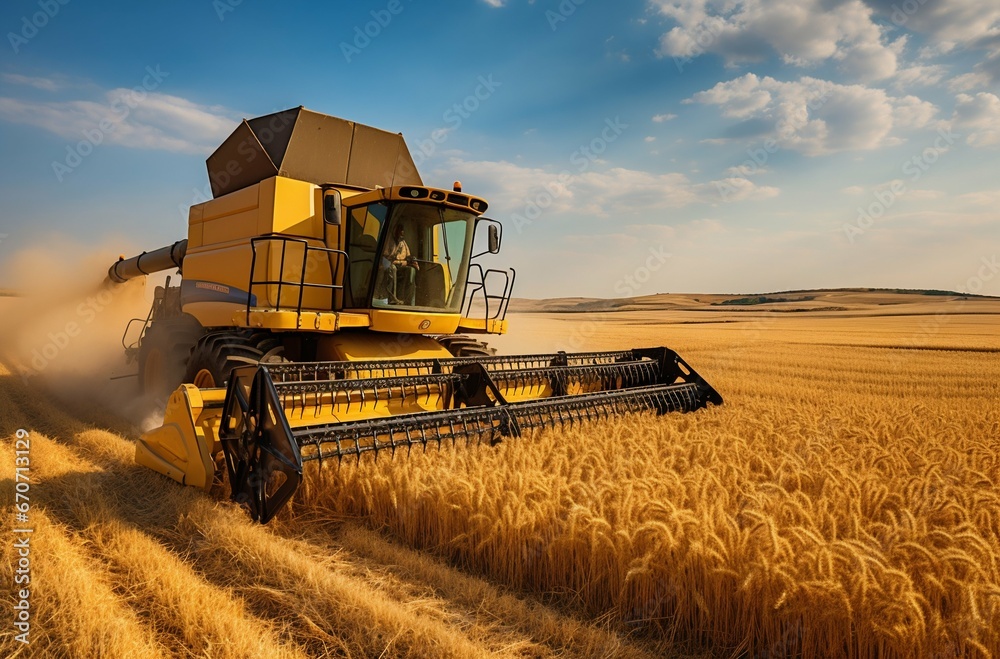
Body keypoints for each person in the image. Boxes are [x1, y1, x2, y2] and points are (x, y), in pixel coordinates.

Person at [381, 223, 418, 305]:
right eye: (399, 230)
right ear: (395, 231)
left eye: (402, 231)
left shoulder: (403, 243)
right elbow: (385, 257)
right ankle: (391, 298)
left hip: (401, 265)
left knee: (411, 270)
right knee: (392, 268)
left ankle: (408, 301)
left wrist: (412, 259)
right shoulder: (389, 241)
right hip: (390, 265)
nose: (401, 233)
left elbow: (408, 255)